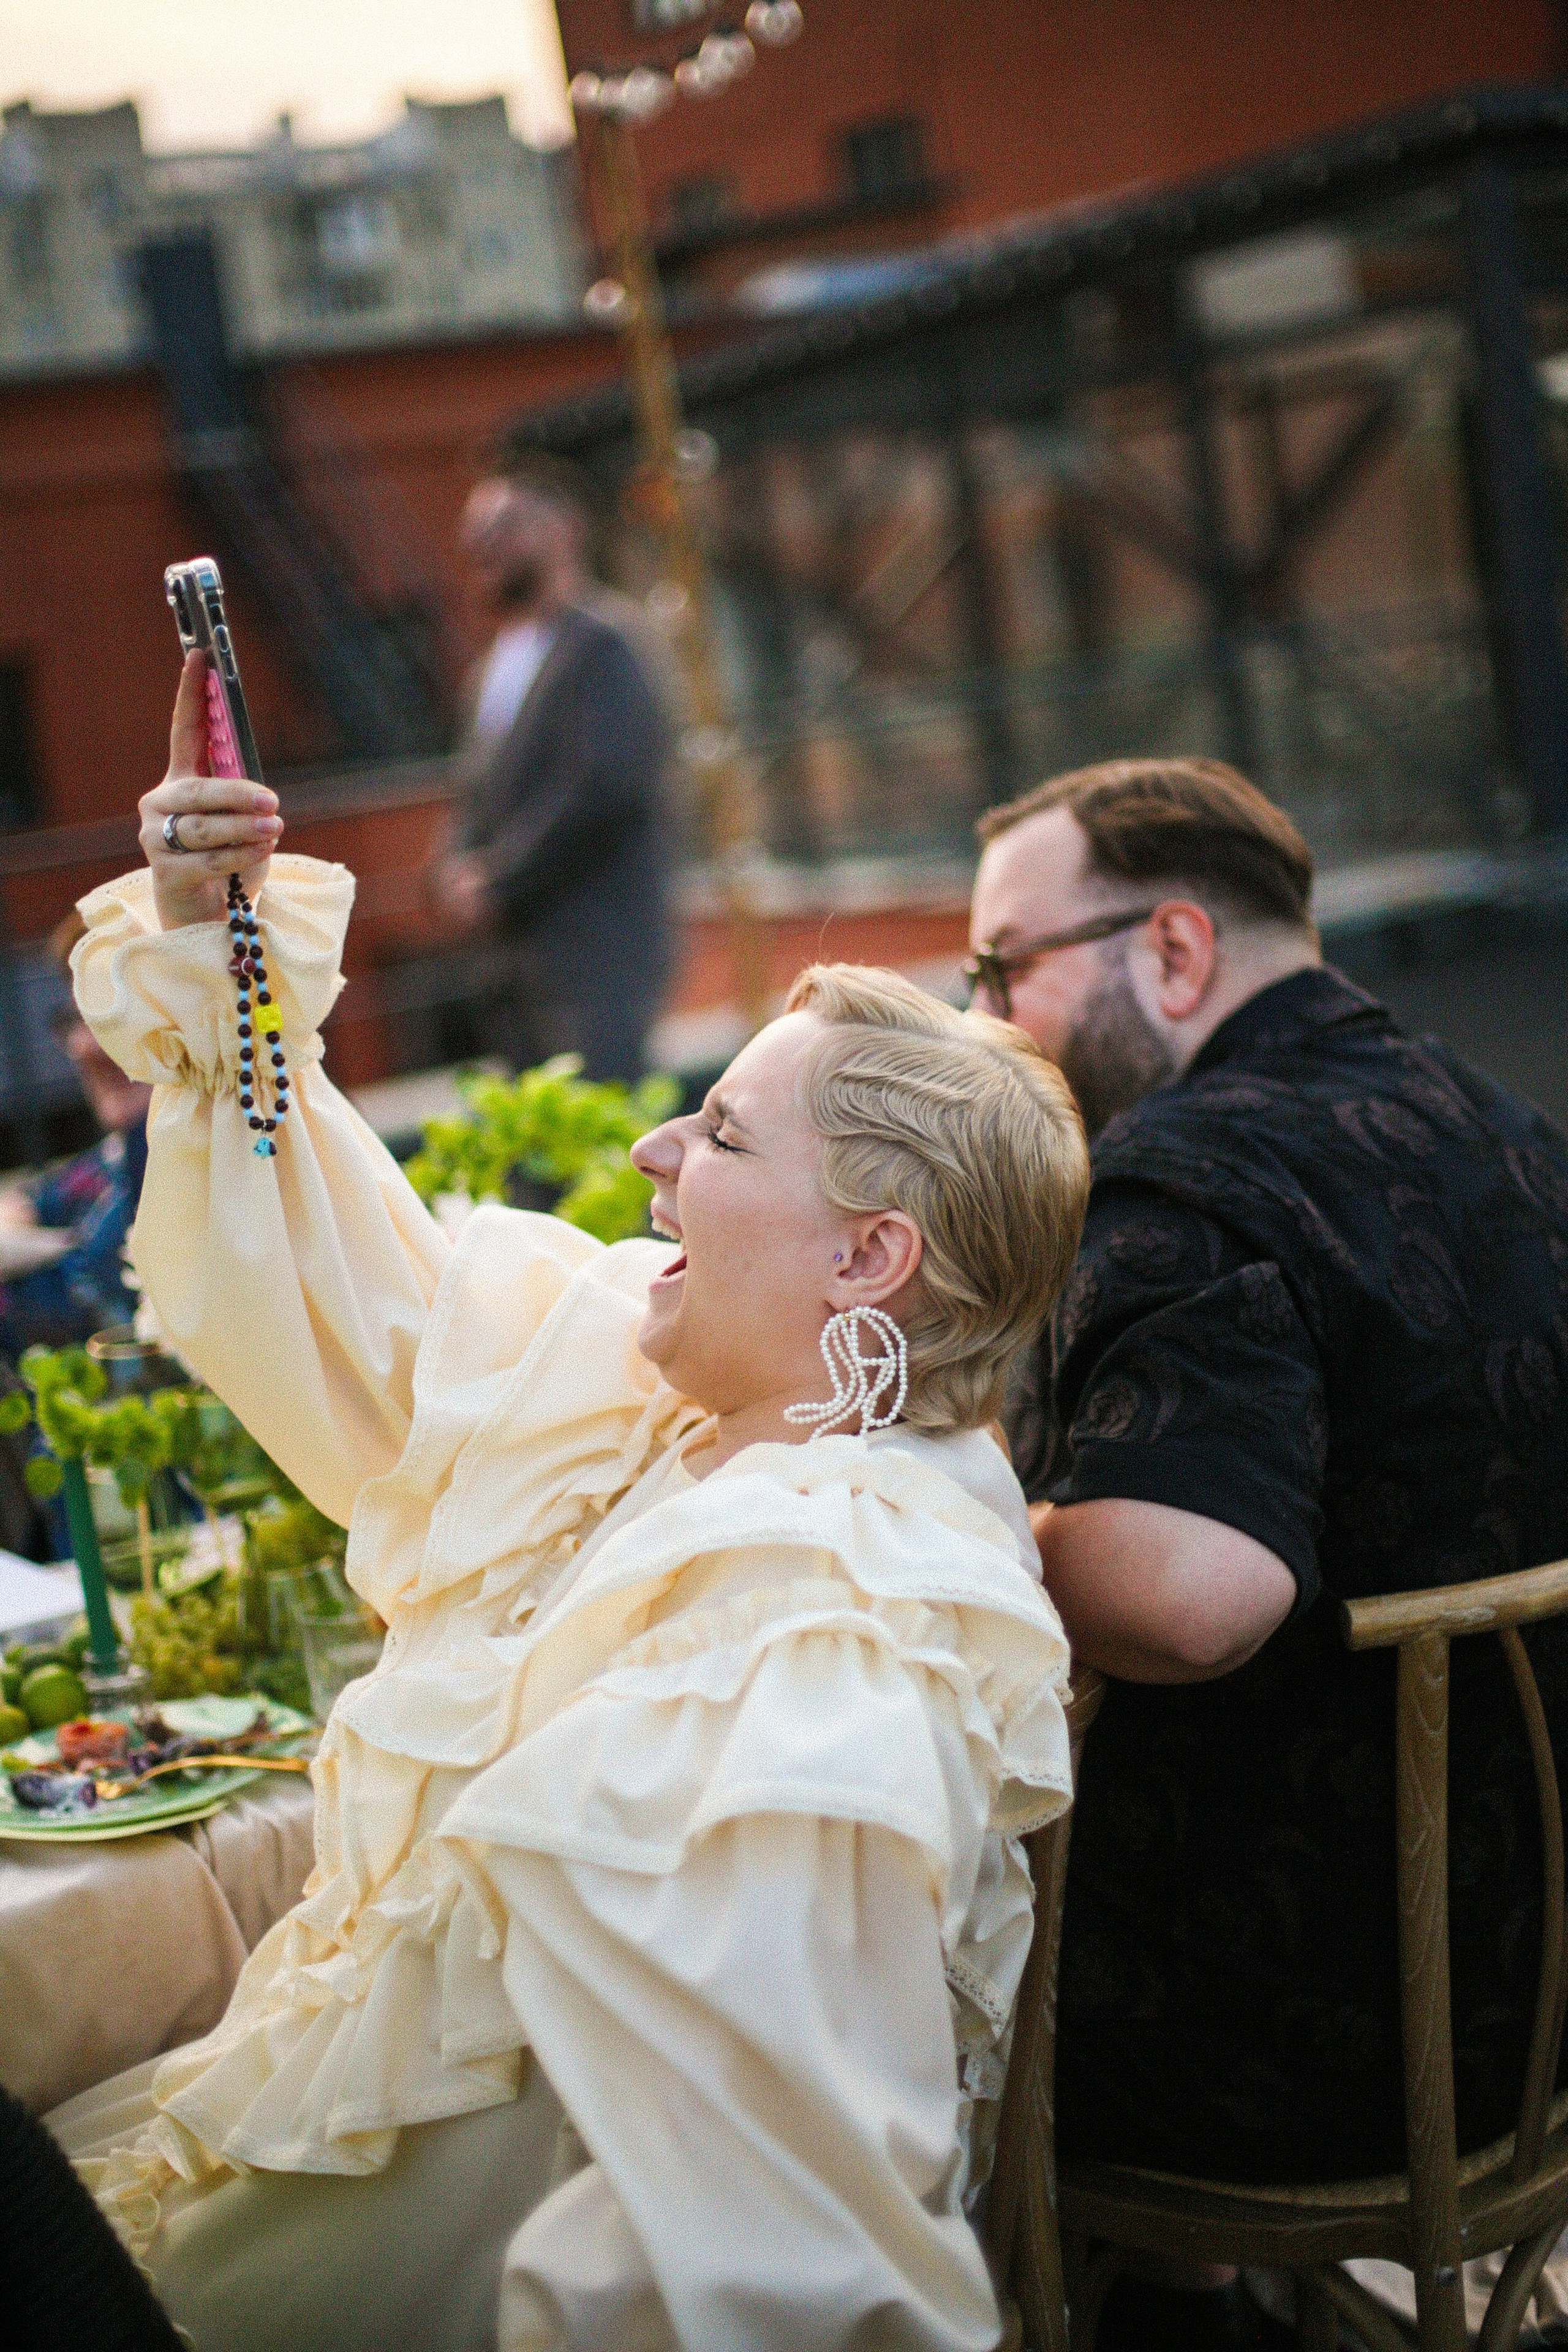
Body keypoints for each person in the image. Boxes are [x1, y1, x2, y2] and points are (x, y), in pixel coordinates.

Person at [48, 650, 1091, 2352]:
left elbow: (771, 2230)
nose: (651, 1154)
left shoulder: (831, 1611)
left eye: (727, 1139)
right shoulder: (668, 1393)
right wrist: (219, 926)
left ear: (867, 1258)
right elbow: (349, 1288)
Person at [965, 758, 1568, 2212]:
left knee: (866, 1993)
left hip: (1310, 2049)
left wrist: (946, 1506)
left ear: (1170, 949)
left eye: (1001, 969)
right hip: (1542, 1995)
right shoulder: (1497, 1122)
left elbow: (1186, 1600)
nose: (979, 1021)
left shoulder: (1178, 1169)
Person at [429, 455, 673, 1085]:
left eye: (503, 525)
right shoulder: (493, 667)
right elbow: (474, 794)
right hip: (512, 970)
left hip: (595, 958)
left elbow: (605, 786)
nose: (480, 543)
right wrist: (450, 871)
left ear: (565, 529)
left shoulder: (604, 644)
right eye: (472, 530)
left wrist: (498, 880)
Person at [0, 910, 151, 1356]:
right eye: (74, 1018)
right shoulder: (113, 1159)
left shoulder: (233, 1148)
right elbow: (35, 1198)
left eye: (108, 1014)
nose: (83, 1045)